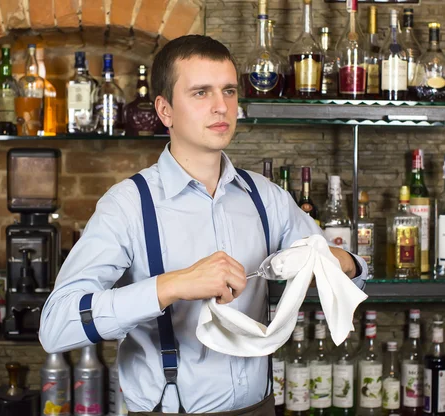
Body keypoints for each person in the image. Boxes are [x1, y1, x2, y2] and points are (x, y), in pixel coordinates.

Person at [39, 35, 367, 415]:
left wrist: (336, 262)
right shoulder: (127, 205)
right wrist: (172, 285)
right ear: (165, 111)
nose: (220, 106)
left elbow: (354, 278)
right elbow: (56, 325)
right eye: (200, 93)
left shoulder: (268, 198)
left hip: (261, 408)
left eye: (229, 91)